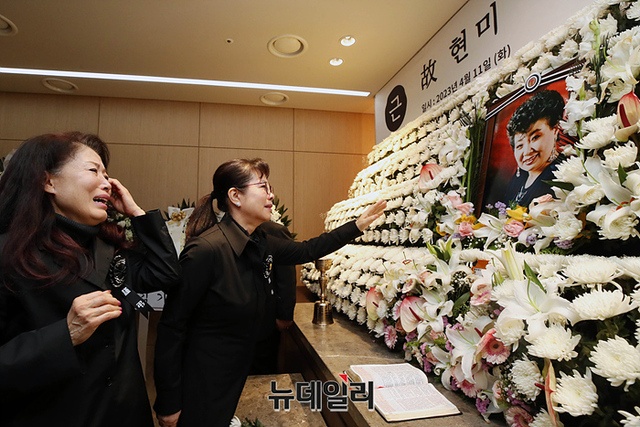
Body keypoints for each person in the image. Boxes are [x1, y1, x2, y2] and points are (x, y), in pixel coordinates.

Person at [153, 158, 386, 427]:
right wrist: (168, 402)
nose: (271, 194)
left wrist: (357, 225)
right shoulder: (205, 251)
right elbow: (171, 328)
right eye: (263, 186)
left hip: (234, 373)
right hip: (204, 381)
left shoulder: (258, 240)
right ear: (235, 196)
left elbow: (307, 250)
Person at [0, 132, 180, 427]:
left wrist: (137, 213)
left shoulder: (109, 248)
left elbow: (165, 273)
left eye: (107, 175)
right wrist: (66, 334)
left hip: (124, 413)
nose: (107, 182)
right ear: (48, 182)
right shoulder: (9, 254)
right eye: (93, 170)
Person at [503, 89, 566, 208]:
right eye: (520, 145)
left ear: (555, 131)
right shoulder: (519, 177)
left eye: (535, 137)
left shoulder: (562, 176)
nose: (527, 151)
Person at [249, 220, 297, 375]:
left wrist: (284, 315)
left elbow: (286, 277)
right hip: (234, 325)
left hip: (264, 321)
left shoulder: (274, 231)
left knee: (262, 370)